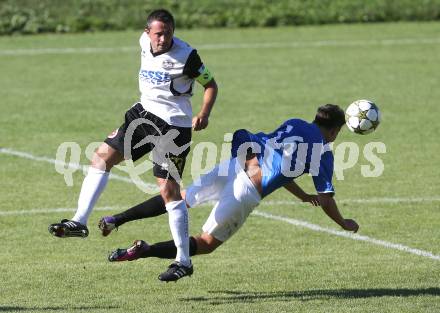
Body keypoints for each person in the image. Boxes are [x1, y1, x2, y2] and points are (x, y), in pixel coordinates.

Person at [48, 9, 218, 278]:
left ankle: (183, 261)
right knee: (101, 157)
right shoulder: (142, 43)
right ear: (147, 32)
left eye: (168, 33)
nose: (163, 38)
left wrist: (204, 113)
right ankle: (79, 221)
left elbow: (211, 84)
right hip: (143, 115)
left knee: (168, 191)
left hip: (173, 126)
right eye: (159, 33)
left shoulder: (187, 56)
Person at [104, 104, 359, 282]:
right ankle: (145, 250)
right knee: (205, 243)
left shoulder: (295, 123)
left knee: (179, 197)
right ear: (335, 131)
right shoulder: (323, 152)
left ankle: (119, 219)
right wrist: (343, 222)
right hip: (246, 191)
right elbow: (326, 199)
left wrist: (301, 195)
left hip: (235, 165)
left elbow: (282, 165)